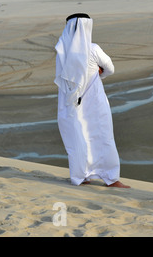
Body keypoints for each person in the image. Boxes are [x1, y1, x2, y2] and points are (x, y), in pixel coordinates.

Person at [55, 13, 129, 188]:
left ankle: (81, 176)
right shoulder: (93, 49)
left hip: (70, 104)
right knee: (102, 136)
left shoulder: (61, 51)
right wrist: (99, 72)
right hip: (94, 102)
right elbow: (110, 68)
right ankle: (111, 179)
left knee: (78, 138)